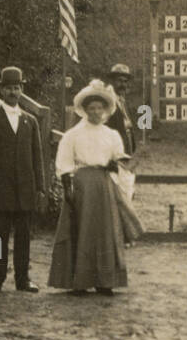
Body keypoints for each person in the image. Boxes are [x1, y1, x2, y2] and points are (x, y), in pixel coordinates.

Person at [49, 80, 137, 296]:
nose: (96, 112)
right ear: (85, 110)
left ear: (105, 110)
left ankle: (105, 281)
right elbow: (64, 162)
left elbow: (120, 158)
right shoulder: (73, 135)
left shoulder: (111, 135)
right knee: (82, 229)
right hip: (82, 186)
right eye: (91, 108)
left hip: (104, 184)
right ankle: (80, 281)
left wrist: (118, 163)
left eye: (100, 108)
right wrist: (67, 186)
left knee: (105, 232)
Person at [0, 66, 46, 294]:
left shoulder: (30, 121)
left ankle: (23, 278)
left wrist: (40, 188)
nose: (13, 92)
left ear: (22, 89)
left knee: (24, 236)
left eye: (16, 88)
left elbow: (38, 157)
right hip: (0, 189)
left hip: (25, 189)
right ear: (1, 90)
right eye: (8, 88)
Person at [105, 63, 138, 202]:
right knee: (117, 188)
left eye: (125, 81)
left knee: (126, 185)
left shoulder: (121, 100)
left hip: (126, 147)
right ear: (112, 81)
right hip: (114, 151)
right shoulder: (108, 99)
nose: (123, 84)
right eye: (119, 80)